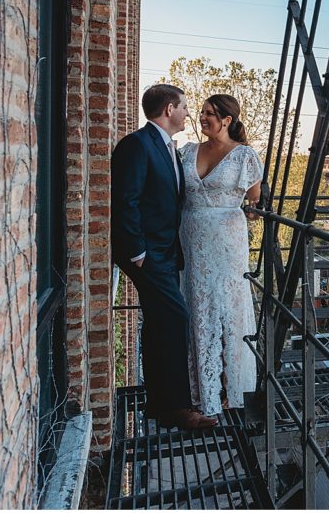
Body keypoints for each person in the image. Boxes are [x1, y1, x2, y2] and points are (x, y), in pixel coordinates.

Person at [112, 84, 218, 430]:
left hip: (167, 253)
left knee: (159, 325)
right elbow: (125, 199)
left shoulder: (168, 148)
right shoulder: (136, 145)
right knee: (176, 319)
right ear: (169, 109)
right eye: (185, 106)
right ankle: (179, 409)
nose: (188, 113)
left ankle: (158, 405)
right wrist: (137, 252)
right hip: (148, 254)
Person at [178, 94, 263, 418]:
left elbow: (254, 200)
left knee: (229, 306)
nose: (203, 118)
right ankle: (202, 391)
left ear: (227, 120)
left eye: (210, 114)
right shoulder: (187, 151)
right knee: (198, 305)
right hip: (193, 242)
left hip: (228, 242)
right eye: (201, 112)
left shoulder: (244, 156)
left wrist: (253, 212)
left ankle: (234, 388)